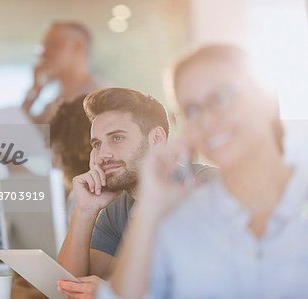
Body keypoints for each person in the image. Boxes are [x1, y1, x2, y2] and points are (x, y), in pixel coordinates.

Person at [97, 45, 308, 298]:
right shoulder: (179, 220)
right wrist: (150, 207)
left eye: (221, 98)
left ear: (267, 100)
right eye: (192, 110)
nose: (206, 121)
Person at [56, 88, 216, 297]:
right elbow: (67, 288)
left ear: (156, 138)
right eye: (97, 144)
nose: (103, 154)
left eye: (117, 138)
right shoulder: (115, 210)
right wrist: (84, 211)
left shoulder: (207, 186)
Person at [22, 22, 108, 124]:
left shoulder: (100, 100)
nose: (43, 54)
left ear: (78, 46)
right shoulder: (57, 100)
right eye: (43, 47)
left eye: (53, 45)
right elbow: (19, 130)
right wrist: (35, 89)